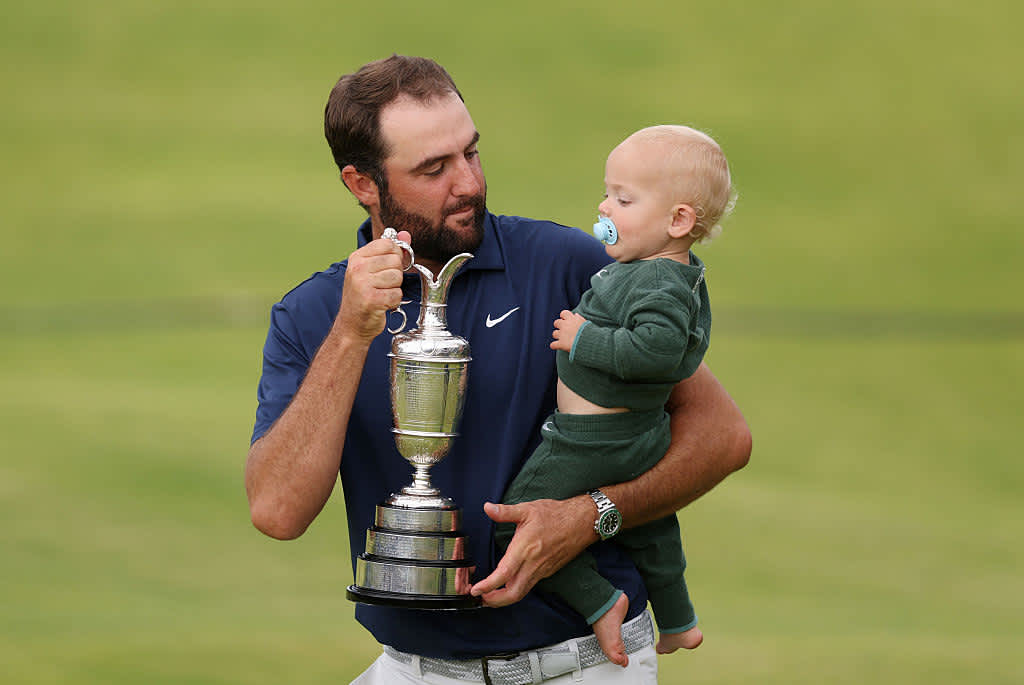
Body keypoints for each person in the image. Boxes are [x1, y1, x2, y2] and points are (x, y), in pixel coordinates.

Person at [245, 55, 751, 684]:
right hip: (415, 671)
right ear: (362, 183)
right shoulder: (314, 314)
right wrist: (350, 334)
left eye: (471, 153)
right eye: (433, 168)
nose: (468, 183)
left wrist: (592, 515)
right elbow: (277, 511)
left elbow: (723, 437)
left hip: (586, 666)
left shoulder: (571, 265)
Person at [495, 125, 735, 668]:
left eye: (623, 199)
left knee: (518, 517)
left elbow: (657, 353)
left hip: (593, 440)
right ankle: (678, 620)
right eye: (608, 193)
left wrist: (584, 338)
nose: (604, 206)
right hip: (638, 436)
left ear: (678, 221)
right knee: (652, 529)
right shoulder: (651, 271)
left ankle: (600, 601)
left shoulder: (661, 285)